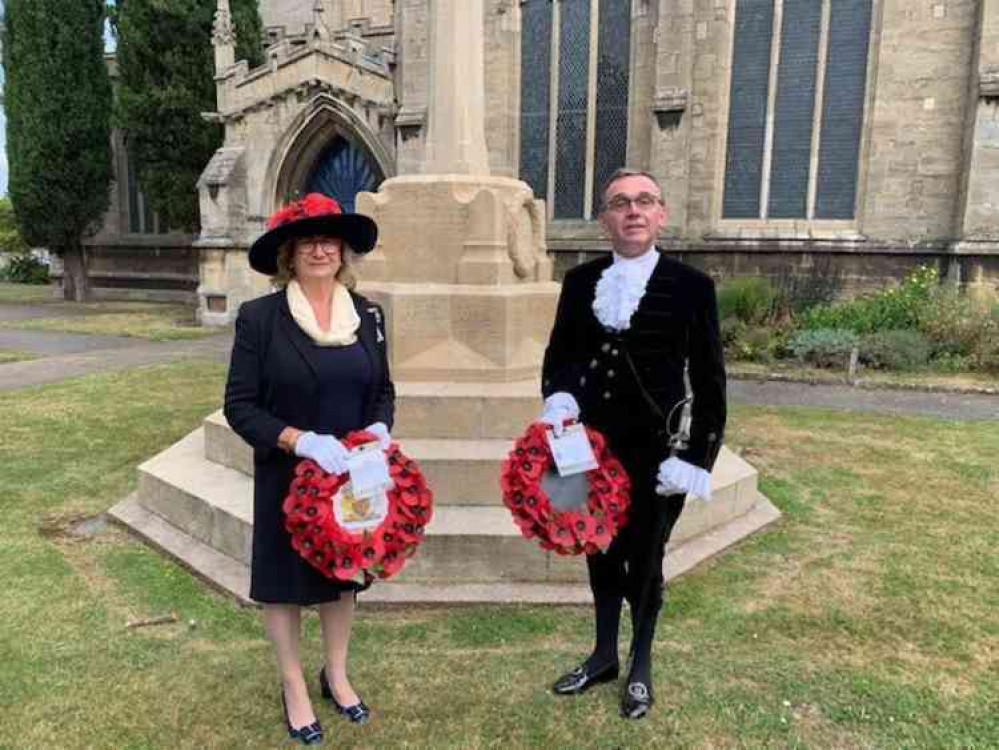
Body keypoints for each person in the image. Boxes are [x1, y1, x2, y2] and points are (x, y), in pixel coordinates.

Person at [540, 168, 727, 719]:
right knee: (597, 550)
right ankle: (602, 656)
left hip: (657, 455)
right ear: (605, 220)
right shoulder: (578, 282)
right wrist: (558, 400)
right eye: (620, 203)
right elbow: (560, 358)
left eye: (644, 201)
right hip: (589, 449)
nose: (633, 211)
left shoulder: (693, 286)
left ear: (661, 213)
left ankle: (640, 663)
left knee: (646, 563)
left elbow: (712, 384)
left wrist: (695, 459)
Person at [224, 193, 394, 744]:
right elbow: (241, 405)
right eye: (308, 242)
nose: (321, 249)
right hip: (288, 473)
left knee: (342, 578)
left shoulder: (368, 314)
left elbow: (382, 390)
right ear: (289, 256)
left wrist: (380, 431)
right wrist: (300, 441)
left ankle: (336, 674)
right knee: (284, 584)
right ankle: (293, 683)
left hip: (352, 477)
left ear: (342, 250)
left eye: (330, 240)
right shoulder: (259, 319)